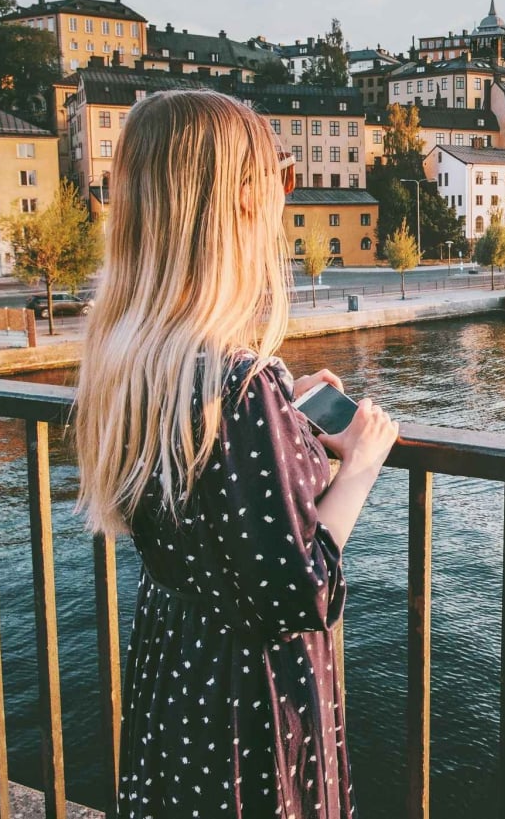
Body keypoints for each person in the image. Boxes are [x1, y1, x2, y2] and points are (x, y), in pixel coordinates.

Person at [73, 89, 398, 818]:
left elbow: (214, 500)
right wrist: (362, 462)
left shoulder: (133, 360)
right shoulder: (242, 386)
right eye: (277, 184)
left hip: (177, 679)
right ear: (240, 205)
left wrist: (286, 414)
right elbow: (304, 590)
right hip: (248, 703)